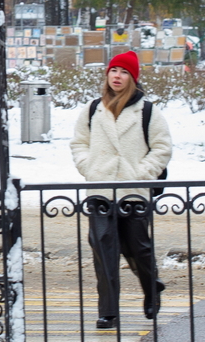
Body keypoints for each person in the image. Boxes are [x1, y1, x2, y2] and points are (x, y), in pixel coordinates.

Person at [70, 51, 173, 326]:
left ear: (133, 78)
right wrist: (88, 167)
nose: (117, 76)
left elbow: (162, 148)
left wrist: (141, 174)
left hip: (134, 192)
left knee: (138, 249)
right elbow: (79, 143)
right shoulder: (93, 109)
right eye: (114, 70)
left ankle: (152, 290)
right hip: (101, 191)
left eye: (124, 72)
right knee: (104, 250)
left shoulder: (148, 111)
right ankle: (108, 311)